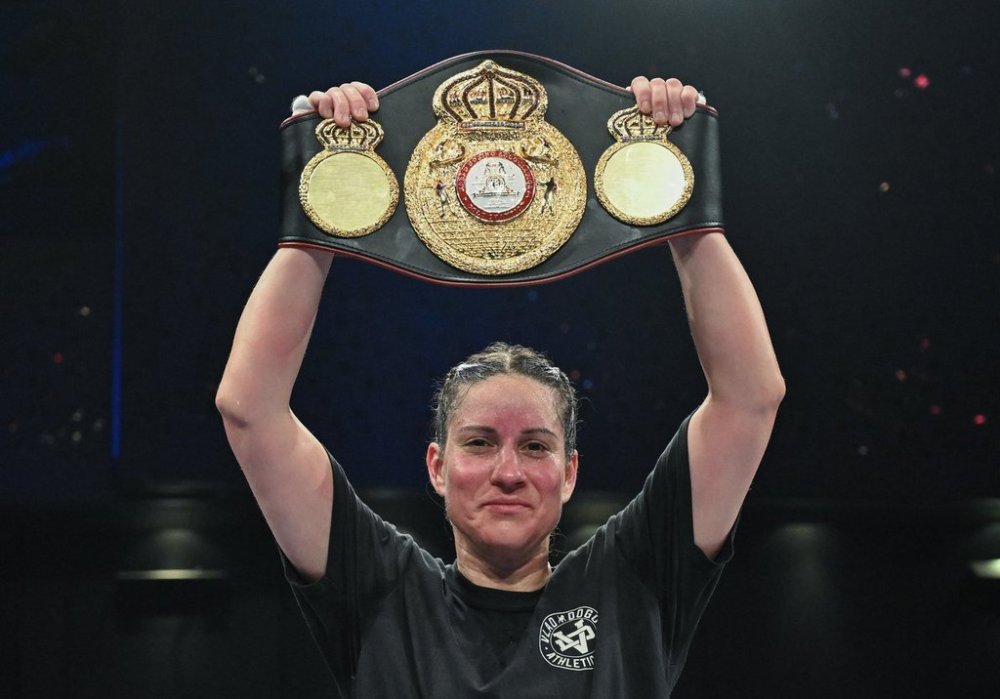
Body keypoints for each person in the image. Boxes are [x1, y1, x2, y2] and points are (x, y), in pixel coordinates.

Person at [216, 76, 784, 697]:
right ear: (437, 466)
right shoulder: (381, 588)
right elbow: (249, 410)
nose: (508, 472)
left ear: (569, 472)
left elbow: (750, 399)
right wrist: (324, 197)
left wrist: (684, 200)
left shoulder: (633, 580)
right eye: (480, 442)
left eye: (535, 446)